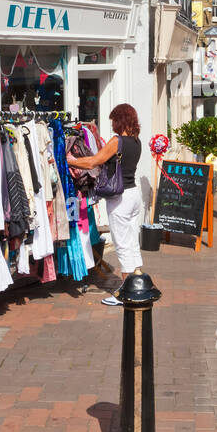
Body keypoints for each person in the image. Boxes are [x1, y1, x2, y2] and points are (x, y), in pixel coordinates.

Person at [67, 103, 144, 306]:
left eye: (113, 120)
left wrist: (70, 161)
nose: (112, 125)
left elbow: (93, 162)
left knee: (122, 245)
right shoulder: (137, 141)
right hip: (134, 194)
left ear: (120, 120)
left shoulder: (117, 141)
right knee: (132, 243)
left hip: (120, 199)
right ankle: (138, 284)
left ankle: (126, 292)